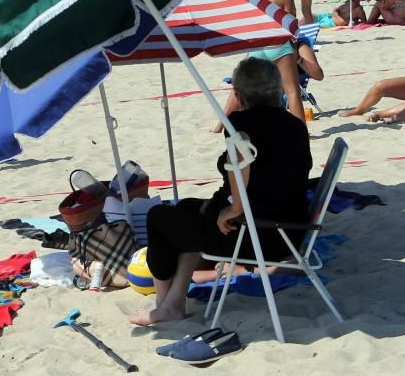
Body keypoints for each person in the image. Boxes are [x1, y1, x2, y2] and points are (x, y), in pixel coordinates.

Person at [129, 58, 312, 326]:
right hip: (290, 230)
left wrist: (234, 208)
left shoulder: (240, 123)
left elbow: (241, 161)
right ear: (279, 90)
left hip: (255, 235)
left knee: (158, 217)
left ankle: (164, 304)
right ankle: (174, 301)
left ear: (237, 95)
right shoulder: (295, 125)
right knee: (187, 208)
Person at [250, 0, 305, 120]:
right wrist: (295, 49)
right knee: (292, 91)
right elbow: (291, 27)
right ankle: (300, 132)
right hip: (278, 44)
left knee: (247, 90)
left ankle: (220, 125)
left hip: (257, 45)